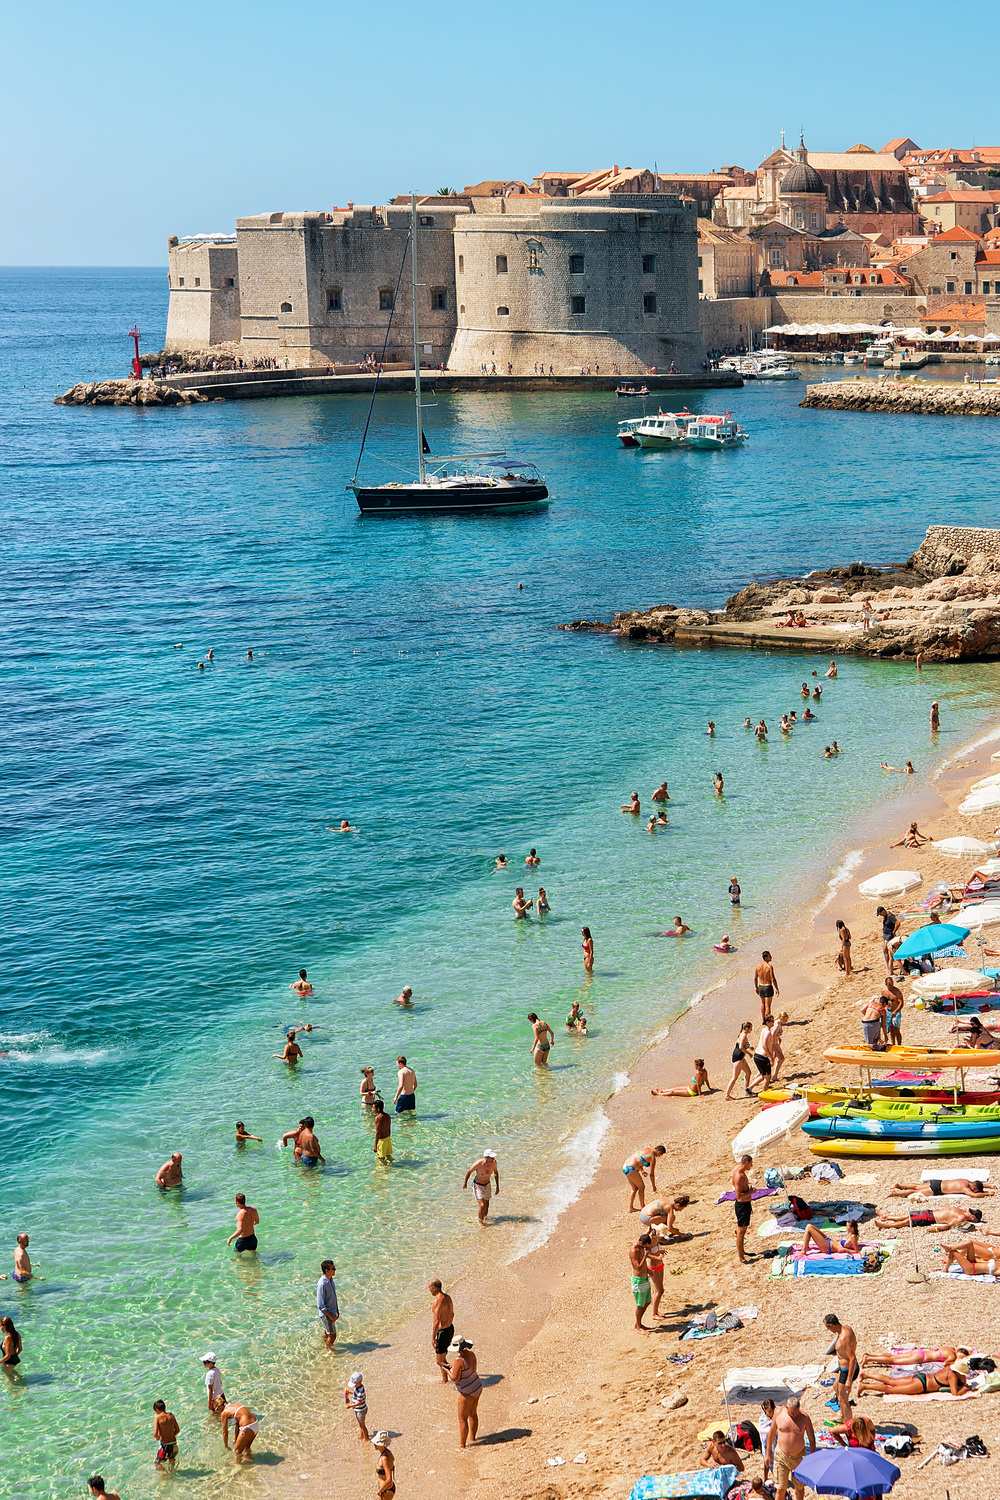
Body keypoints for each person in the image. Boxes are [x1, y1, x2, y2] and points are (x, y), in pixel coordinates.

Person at [764, 1396, 815, 1500]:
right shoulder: (778, 1414)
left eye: (797, 1412)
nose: (795, 1415)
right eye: (792, 1413)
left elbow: (812, 1439)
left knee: (799, 1487)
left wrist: (812, 1458)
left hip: (799, 1457)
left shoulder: (804, 1418)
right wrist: (768, 1453)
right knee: (780, 1488)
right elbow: (771, 1434)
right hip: (781, 1456)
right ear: (787, 1408)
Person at [448, 1336, 482, 1448]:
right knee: (473, 1413)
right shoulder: (472, 1354)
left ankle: (462, 1444)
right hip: (476, 1385)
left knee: (462, 1419)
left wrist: (447, 1371)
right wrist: (454, 1368)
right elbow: (472, 1368)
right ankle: (472, 1437)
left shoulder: (458, 1360)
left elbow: (455, 1378)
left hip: (467, 1391)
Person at [823, 1313, 859, 1418]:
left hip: (848, 1371)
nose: (828, 1330)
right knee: (836, 1386)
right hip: (844, 1369)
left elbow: (852, 1359)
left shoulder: (843, 1338)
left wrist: (849, 1379)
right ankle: (842, 1415)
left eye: (827, 1328)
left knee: (843, 1400)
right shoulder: (846, 1328)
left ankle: (848, 1422)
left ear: (831, 1325)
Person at [859, 1365, 967, 1397]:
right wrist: (966, 1389)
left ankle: (866, 1375)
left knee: (891, 1381)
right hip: (922, 1385)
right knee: (890, 1389)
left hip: (921, 1376)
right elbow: (955, 1393)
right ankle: (865, 1386)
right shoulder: (952, 1376)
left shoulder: (948, 1368)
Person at [622, 1144, 665, 1211]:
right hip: (631, 1169)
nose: (658, 1156)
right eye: (660, 1155)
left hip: (625, 1166)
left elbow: (638, 1159)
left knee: (634, 1188)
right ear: (659, 1152)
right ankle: (642, 1207)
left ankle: (630, 1208)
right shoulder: (652, 1157)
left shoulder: (645, 1149)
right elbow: (651, 1174)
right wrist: (653, 1186)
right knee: (641, 1187)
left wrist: (642, 1170)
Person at [875, 1205, 983, 1230]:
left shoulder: (961, 1218)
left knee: (908, 1221)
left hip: (931, 1218)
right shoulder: (962, 1211)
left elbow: (949, 1225)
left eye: (971, 1213)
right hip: (930, 1212)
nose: (968, 1212)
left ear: (973, 1218)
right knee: (906, 1214)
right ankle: (885, 1217)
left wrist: (936, 1229)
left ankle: (885, 1225)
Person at [861, 1343, 969, 1369]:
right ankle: (869, 1358)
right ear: (960, 1353)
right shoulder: (952, 1356)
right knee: (893, 1360)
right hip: (921, 1358)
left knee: (892, 1356)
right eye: (963, 1356)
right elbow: (946, 1364)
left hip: (919, 1352)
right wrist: (954, 1362)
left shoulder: (950, 1348)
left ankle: (869, 1354)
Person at [463, 1150, 500, 1224]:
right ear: (486, 1157)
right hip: (478, 1185)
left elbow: (495, 1173)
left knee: (486, 1204)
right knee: (482, 1205)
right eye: (491, 1157)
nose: (493, 1159)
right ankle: (480, 1222)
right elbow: (469, 1171)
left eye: (493, 1157)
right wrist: (465, 1183)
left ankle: (484, 1218)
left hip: (487, 1184)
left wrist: (497, 1187)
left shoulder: (494, 1163)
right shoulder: (478, 1164)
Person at [429, 1280, 455, 1381]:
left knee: (439, 1361)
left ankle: (458, 1371)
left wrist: (433, 1338)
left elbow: (436, 1321)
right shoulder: (448, 1298)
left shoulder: (437, 1301)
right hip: (450, 1328)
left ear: (434, 1288)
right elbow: (452, 1314)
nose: (429, 1290)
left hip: (443, 1332)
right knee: (442, 1358)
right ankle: (445, 1380)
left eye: (429, 1287)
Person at [725, 1021, 755, 1099]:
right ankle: (727, 1095)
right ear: (746, 1028)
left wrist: (749, 1047)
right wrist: (749, 1053)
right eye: (750, 1028)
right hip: (738, 1058)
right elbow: (741, 1047)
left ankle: (747, 1091)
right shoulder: (743, 1035)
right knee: (734, 1077)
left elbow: (742, 1045)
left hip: (741, 1057)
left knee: (748, 1072)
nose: (751, 1030)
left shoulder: (742, 1034)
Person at [733, 1154, 754, 1264]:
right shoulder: (739, 1176)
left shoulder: (740, 1172)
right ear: (746, 1163)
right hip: (742, 1206)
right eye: (751, 1163)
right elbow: (739, 1196)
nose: (751, 1166)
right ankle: (740, 1257)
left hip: (746, 1204)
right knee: (741, 1231)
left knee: (744, 1230)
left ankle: (742, 1251)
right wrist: (751, 1192)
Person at [629, 1236, 653, 1333]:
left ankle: (638, 1323)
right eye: (645, 1246)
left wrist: (647, 1270)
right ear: (641, 1243)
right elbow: (638, 1267)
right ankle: (638, 1327)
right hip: (638, 1280)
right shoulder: (634, 1251)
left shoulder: (641, 1248)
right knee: (640, 1304)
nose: (646, 1248)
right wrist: (646, 1255)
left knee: (647, 1302)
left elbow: (643, 1263)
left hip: (644, 1278)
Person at [888, 1177, 996, 1198]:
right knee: (915, 1192)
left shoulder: (966, 1181)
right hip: (938, 1189)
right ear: (974, 1188)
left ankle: (899, 1185)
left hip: (938, 1182)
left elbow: (979, 1184)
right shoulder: (965, 1188)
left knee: (917, 1186)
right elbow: (974, 1195)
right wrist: (987, 1193)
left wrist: (990, 1186)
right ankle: (895, 1193)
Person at [317, 1260, 340, 1347]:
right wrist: (331, 1316)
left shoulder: (330, 1280)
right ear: (327, 1270)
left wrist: (337, 1310)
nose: (335, 1270)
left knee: (326, 1332)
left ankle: (324, 1344)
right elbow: (320, 1304)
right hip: (327, 1314)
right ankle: (328, 1349)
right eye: (333, 1268)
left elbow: (333, 1297)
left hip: (332, 1311)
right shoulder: (322, 1284)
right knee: (332, 1336)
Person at [153, 1400, 180, 1470]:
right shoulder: (171, 1415)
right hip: (174, 1445)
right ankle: (172, 1473)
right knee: (172, 1461)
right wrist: (170, 1435)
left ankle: (166, 1473)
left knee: (156, 1463)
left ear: (157, 1410)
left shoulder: (157, 1417)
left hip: (165, 1447)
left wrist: (158, 1438)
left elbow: (155, 1434)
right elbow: (177, 1430)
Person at [876, 906, 901, 974]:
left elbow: (897, 923)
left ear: (883, 911)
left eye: (881, 914)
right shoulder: (886, 916)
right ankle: (888, 965)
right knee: (884, 950)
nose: (881, 915)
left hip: (889, 934)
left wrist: (894, 931)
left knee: (888, 950)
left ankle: (890, 966)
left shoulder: (890, 916)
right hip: (885, 934)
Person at [345, 1372, 369, 1441]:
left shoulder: (361, 1391)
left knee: (363, 1426)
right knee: (360, 1425)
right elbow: (356, 1394)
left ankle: (366, 1439)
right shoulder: (357, 1387)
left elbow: (359, 1402)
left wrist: (350, 1406)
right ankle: (361, 1436)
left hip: (361, 1410)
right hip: (358, 1410)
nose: (353, 1386)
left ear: (360, 1382)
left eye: (354, 1384)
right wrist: (350, 1392)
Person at [755, 951, 778, 1019]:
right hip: (768, 987)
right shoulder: (769, 967)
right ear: (765, 957)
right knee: (768, 1006)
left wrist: (756, 987)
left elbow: (755, 978)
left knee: (763, 1003)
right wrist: (777, 988)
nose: (771, 957)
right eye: (769, 956)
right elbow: (773, 979)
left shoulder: (758, 966)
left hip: (761, 986)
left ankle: (763, 1020)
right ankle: (767, 1021)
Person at [372, 1432, 396, 1497]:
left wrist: (380, 1490)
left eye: (377, 1443)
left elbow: (389, 1479)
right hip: (387, 1488)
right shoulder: (388, 1452)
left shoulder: (384, 1459)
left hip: (385, 1490)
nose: (374, 1444)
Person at [882, 974, 904, 1044]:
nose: (891, 986)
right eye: (889, 984)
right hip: (888, 1011)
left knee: (897, 1029)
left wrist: (896, 1011)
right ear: (886, 984)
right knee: (891, 1028)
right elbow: (883, 1001)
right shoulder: (884, 992)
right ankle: (893, 1044)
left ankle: (899, 1045)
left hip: (896, 1011)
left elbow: (901, 1003)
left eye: (892, 984)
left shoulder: (897, 992)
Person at [753, 1017, 776, 1082]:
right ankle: (752, 1087)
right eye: (772, 1021)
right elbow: (764, 1045)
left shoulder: (764, 1030)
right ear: (767, 1022)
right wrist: (771, 1057)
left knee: (763, 1075)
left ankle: (749, 1087)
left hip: (757, 1055)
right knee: (767, 1077)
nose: (773, 1022)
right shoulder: (768, 1032)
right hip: (762, 1057)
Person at [770, 1012, 788, 1083]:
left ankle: (774, 1075)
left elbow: (775, 1034)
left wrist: (779, 1038)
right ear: (781, 1018)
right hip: (773, 1044)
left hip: (775, 1043)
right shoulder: (777, 1025)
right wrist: (774, 1047)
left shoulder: (779, 1023)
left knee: (779, 1059)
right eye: (785, 1020)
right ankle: (773, 1075)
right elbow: (772, 1035)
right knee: (778, 1059)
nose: (786, 1021)